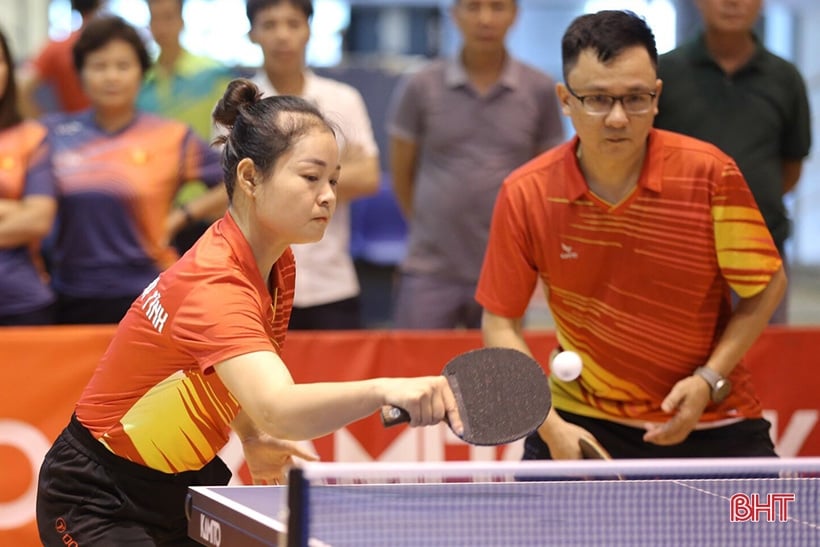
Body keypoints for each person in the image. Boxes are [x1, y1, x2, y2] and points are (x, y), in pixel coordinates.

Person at [36, 78, 461, 546]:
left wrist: (251, 435)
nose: (328, 196)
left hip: (179, 485)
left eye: (334, 179)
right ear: (250, 177)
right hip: (97, 499)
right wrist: (384, 388)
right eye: (310, 176)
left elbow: (218, 374)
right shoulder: (215, 282)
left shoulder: (276, 263)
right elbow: (280, 408)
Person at [475, 10, 786, 460]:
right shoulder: (527, 193)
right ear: (565, 99)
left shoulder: (711, 175)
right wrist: (547, 424)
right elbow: (500, 321)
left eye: (636, 98)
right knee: (541, 532)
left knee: (767, 523)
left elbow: (767, 287)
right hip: (577, 422)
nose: (618, 118)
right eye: (598, 99)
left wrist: (709, 379)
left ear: (657, 96)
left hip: (714, 415)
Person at [28, 16, 227, 325]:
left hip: (150, 294)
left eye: (123, 66)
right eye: (99, 66)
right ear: (81, 74)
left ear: (141, 73)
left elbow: (233, 183)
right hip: (70, 294)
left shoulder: (172, 136)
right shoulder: (50, 134)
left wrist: (183, 215)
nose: (111, 77)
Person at [386, 0, 564, 329]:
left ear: (514, 14)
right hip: (430, 268)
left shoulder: (539, 89)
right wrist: (429, 223)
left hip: (506, 267)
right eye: (473, 7)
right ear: (454, 14)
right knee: (413, 371)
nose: (485, 19)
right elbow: (401, 172)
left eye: (497, 7)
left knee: (496, 375)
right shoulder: (420, 85)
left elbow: (546, 179)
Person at [654, 0, 811, 325]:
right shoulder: (663, 74)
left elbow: (791, 166)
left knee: (764, 362)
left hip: (762, 250)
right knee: (676, 362)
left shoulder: (785, 78)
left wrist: (741, 213)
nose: (732, 2)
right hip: (678, 251)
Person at [244, 0, 380, 330]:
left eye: (293, 24)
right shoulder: (240, 105)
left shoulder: (343, 98)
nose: (282, 36)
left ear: (309, 30)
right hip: (258, 283)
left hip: (331, 281)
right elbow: (236, 192)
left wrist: (276, 176)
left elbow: (369, 177)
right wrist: (330, 172)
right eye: (270, 25)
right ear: (252, 34)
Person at [137, 0, 238, 253]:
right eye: (155, 19)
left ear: (181, 21)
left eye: (168, 17)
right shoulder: (141, 82)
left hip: (206, 200)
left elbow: (230, 134)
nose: (162, 27)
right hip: (156, 204)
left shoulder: (212, 74)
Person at [0, 29, 57, 325]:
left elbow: (38, 219)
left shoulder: (32, 137)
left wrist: (24, 213)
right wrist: (12, 208)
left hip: (21, 302)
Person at [17, 0, 102, 117]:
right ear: (100, 4)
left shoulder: (58, 47)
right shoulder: (117, 46)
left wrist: (42, 125)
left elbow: (20, 87)